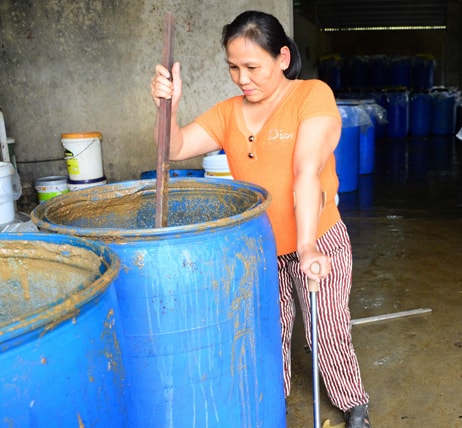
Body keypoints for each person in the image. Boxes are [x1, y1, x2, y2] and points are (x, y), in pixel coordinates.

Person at [150, 10, 371, 428]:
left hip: (317, 240)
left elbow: (306, 172)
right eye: (233, 67)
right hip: (263, 245)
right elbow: (173, 148)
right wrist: (169, 107)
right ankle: (272, 402)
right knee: (269, 330)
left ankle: (353, 403)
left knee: (326, 328)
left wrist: (307, 246)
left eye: (252, 67)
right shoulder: (228, 112)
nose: (242, 78)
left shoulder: (312, 96)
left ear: (283, 58)